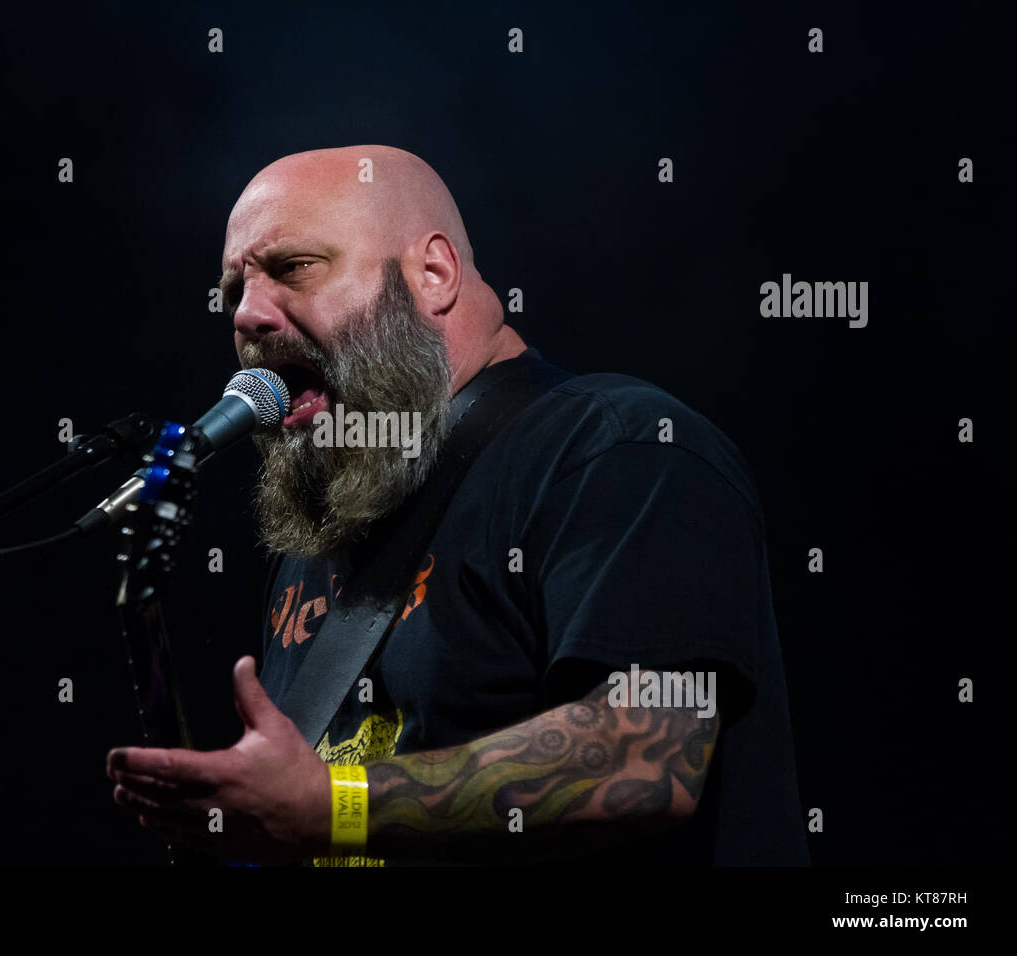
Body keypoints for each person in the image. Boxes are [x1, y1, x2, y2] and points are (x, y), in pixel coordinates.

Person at [107, 145, 809, 866]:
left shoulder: (615, 449)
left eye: (293, 269)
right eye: (233, 293)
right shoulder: (326, 536)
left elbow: (644, 759)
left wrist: (334, 808)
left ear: (433, 274)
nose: (248, 316)